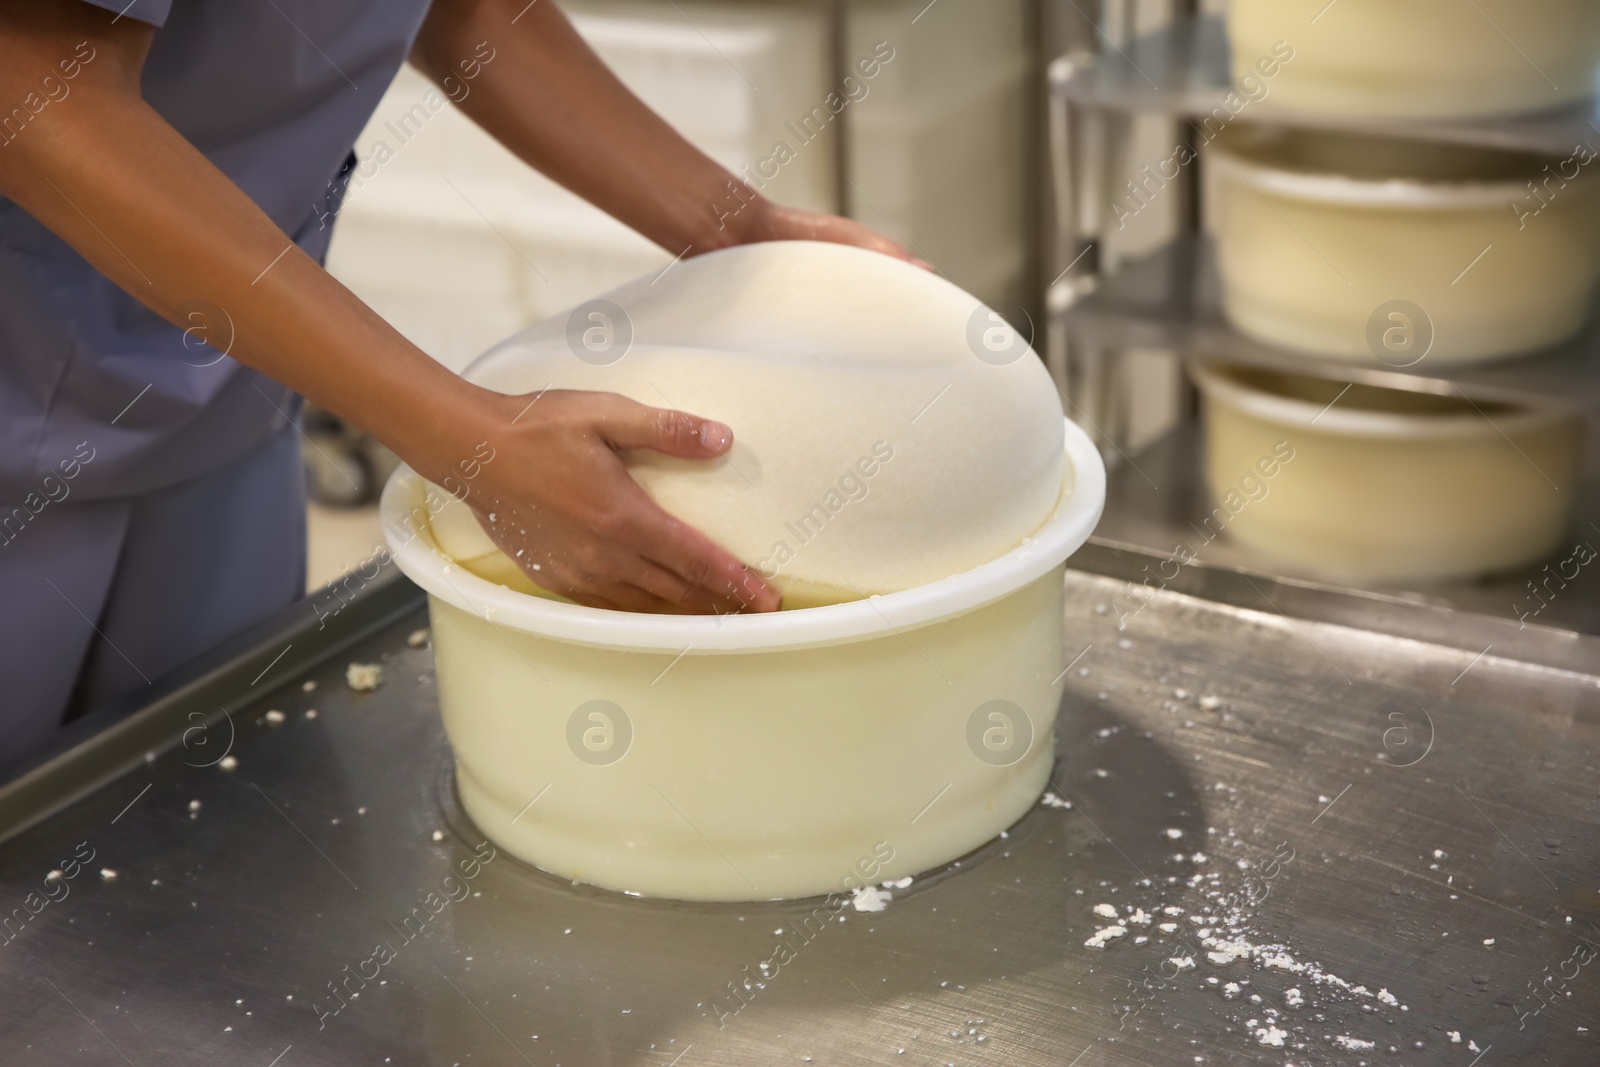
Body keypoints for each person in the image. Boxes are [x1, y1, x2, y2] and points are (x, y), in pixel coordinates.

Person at [0, 0, 914, 768]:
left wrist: (738, 229)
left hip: (231, 383)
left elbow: (460, 8)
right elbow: (35, 90)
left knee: (214, 800)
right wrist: (464, 438)